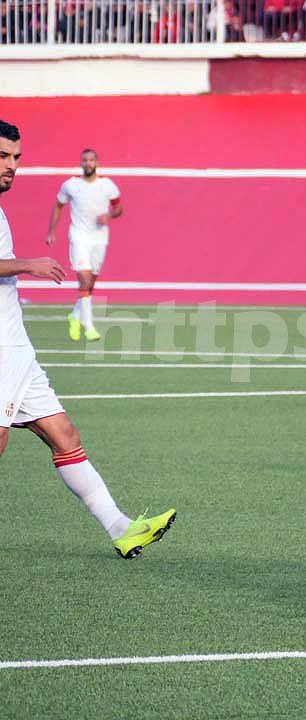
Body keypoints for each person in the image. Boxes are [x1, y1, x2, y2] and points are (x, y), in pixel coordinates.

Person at [0, 120, 175, 558]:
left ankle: (121, 527)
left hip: (16, 348)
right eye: (3, 156)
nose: (12, 165)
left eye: (16, 157)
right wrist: (27, 264)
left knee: (66, 436)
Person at [46, 148, 122, 343]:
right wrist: (51, 231)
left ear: (97, 163)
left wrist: (109, 215)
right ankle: (88, 326)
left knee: (89, 285)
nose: (88, 163)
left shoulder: (107, 185)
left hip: (100, 239)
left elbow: (119, 208)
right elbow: (58, 205)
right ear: (81, 163)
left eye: (91, 160)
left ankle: (75, 316)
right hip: (79, 236)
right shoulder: (71, 185)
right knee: (85, 281)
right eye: (85, 160)